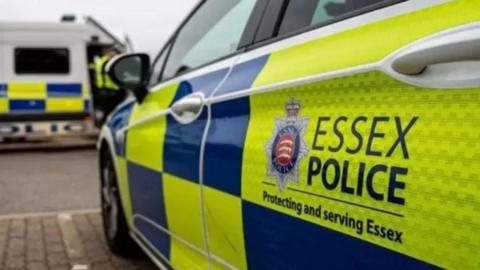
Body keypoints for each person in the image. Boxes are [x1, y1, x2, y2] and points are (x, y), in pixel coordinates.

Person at [92, 47, 126, 125]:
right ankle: (107, 124)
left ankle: (104, 123)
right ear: (108, 53)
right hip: (109, 90)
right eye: (112, 53)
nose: (113, 55)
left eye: (114, 53)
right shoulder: (108, 62)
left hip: (105, 90)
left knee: (107, 109)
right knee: (111, 109)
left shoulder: (102, 61)